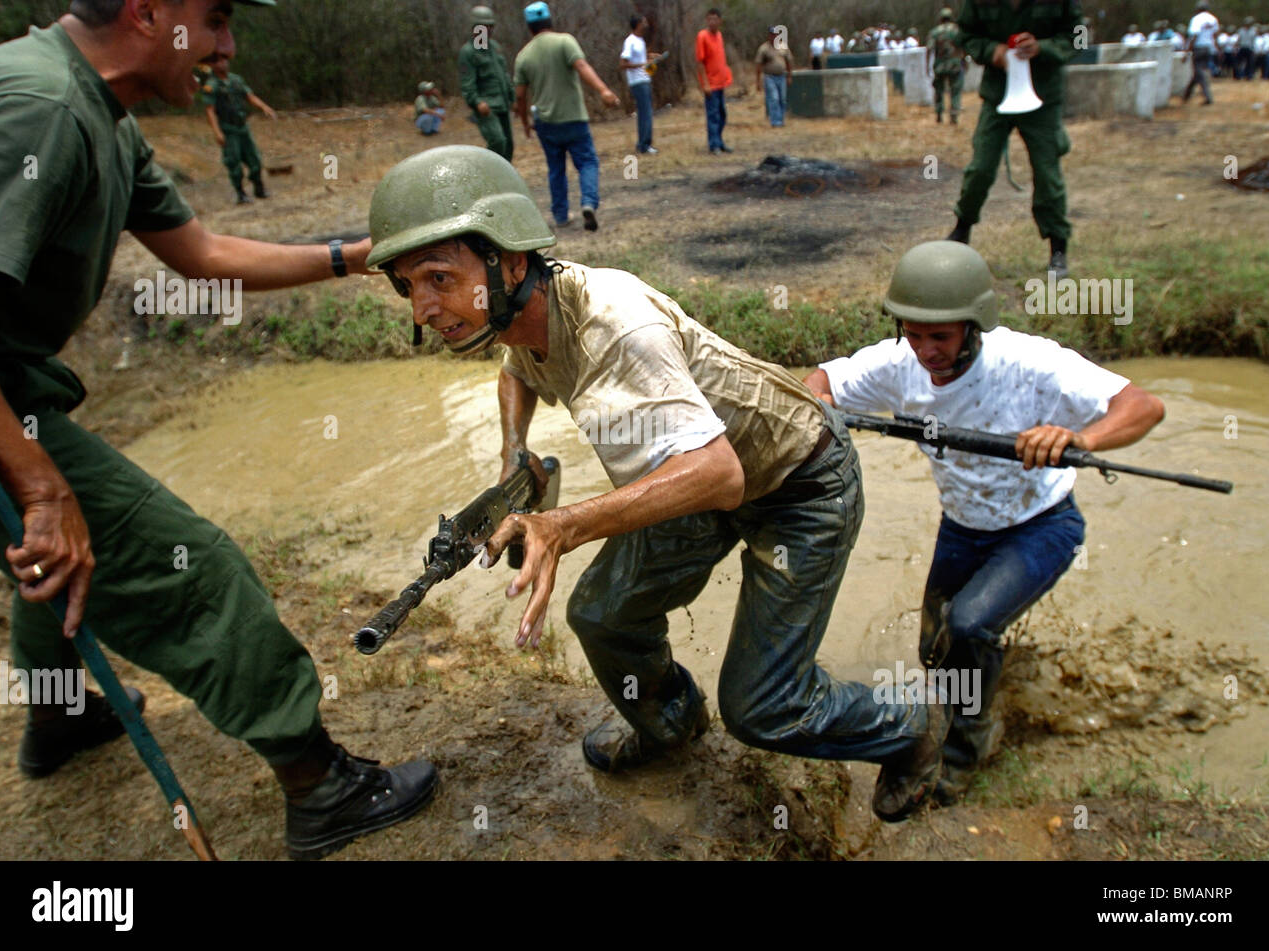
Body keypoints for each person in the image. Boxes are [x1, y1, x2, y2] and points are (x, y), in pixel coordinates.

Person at [365, 146, 953, 823]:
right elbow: (516, 368)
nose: (422, 307)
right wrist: (514, 453)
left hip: (798, 481)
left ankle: (911, 725)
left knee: (763, 705)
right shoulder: (521, 313)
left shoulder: (616, 324)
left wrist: (562, 524)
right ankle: (670, 720)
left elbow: (720, 473)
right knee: (602, 613)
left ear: (511, 261)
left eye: (439, 277)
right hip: (687, 477)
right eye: (407, 285)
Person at [0, 0, 437, 861]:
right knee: (192, 566)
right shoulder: (41, 106)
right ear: (150, 12)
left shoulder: (102, 116)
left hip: (1, 380)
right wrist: (40, 485)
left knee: (64, 552)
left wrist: (362, 252)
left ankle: (59, 712)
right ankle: (322, 785)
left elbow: (202, 251)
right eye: (218, 19)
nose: (228, 49)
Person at [804, 241, 1165, 803]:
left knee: (969, 626)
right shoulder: (899, 365)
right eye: (914, 333)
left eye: (940, 337)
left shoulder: (1031, 364)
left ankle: (964, 751)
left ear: (973, 326)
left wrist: (1079, 438)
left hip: (1040, 527)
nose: (926, 350)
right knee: (935, 649)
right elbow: (821, 381)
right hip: (963, 528)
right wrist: (822, 407)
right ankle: (979, 681)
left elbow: (1143, 405)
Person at [947, 0, 1082, 279]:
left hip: (1043, 97)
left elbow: (1077, 37)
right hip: (998, 94)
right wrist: (991, 51)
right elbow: (965, 36)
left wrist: (1042, 47)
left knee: (1047, 172)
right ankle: (962, 229)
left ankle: (1058, 249)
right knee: (981, 167)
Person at [514, 1, 619, 232]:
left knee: (556, 168)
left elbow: (520, 97)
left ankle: (561, 215)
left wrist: (525, 123)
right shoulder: (565, 41)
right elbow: (581, 66)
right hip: (573, 117)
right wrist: (603, 90)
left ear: (529, 27)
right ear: (550, 21)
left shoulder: (523, 56)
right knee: (587, 162)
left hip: (546, 122)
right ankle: (589, 203)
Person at [200, 53, 275, 204]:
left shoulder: (236, 80)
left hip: (242, 126)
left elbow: (249, 96)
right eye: (218, 61)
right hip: (228, 129)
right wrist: (217, 132)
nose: (223, 63)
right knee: (233, 162)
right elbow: (210, 111)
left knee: (254, 159)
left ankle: (259, 188)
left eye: (224, 60)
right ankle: (241, 194)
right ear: (212, 65)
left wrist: (264, 107)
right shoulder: (212, 85)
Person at [459, 5, 516, 161]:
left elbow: (504, 75)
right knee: (498, 141)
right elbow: (467, 83)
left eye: (490, 26)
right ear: (475, 27)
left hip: (502, 103)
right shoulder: (468, 52)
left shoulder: (494, 47)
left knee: (509, 145)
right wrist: (477, 102)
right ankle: (484, 172)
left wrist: (513, 98)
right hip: (487, 107)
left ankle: (504, 180)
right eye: (484, 26)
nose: (488, 30)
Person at [621, 14, 663, 155]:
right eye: (643, 21)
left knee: (646, 113)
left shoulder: (640, 41)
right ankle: (645, 145)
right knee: (646, 113)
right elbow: (624, 63)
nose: (646, 23)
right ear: (638, 24)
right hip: (637, 82)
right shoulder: (630, 41)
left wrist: (651, 57)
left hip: (645, 79)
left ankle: (643, 144)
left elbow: (640, 59)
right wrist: (642, 64)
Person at [696, 8, 733, 154]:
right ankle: (714, 145)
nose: (712, 22)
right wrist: (705, 84)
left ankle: (720, 141)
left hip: (721, 81)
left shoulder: (719, 35)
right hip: (710, 83)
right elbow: (700, 62)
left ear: (719, 21)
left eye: (715, 19)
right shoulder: (702, 36)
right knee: (713, 115)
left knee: (722, 114)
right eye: (709, 19)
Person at [927, 7, 964, 126]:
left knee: (939, 90)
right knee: (955, 90)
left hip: (940, 65)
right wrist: (965, 62)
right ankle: (954, 115)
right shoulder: (957, 30)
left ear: (941, 18)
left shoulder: (935, 32)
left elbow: (929, 49)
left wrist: (927, 65)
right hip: (955, 64)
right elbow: (963, 47)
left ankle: (939, 114)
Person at [754, 25, 793, 128]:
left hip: (782, 76)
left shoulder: (783, 46)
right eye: (772, 34)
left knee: (782, 99)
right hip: (770, 77)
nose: (774, 36)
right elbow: (758, 64)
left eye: (775, 34)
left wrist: (789, 76)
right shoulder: (764, 49)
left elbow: (789, 62)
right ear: (769, 35)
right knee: (774, 98)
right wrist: (758, 81)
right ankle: (775, 121)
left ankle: (781, 119)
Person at [1183, 1, 1219, 104]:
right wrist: (1217, 48)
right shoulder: (1213, 19)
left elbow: (1194, 35)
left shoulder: (1196, 19)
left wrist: (1187, 51)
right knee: (1197, 72)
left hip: (1199, 47)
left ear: (1198, 9)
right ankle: (1187, 94)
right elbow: (1215, 34)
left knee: (1199, 72)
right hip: (1208, 48)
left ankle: (1208, 97)